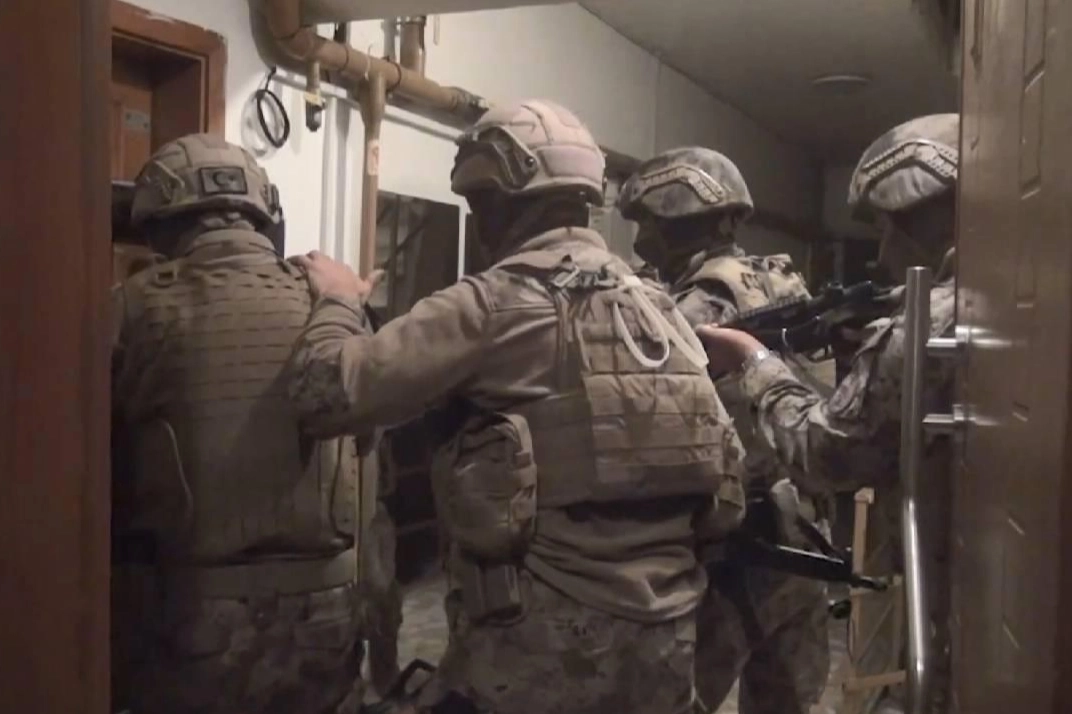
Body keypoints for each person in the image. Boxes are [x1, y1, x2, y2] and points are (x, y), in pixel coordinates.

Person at [285, 98, 745, 714]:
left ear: (494, 206)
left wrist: (339, 300)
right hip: (666, 654)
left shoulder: (490, 304)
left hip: (541, 659)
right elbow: (724, 487)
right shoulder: (662, 311)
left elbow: (324, 396)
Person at [697, 113, 960, 712]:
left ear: (930, 220)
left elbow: (828, 453)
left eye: (888, 230)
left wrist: (752, 360)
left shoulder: (928, 323)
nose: (883, 252)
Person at [110, 134, 367, 714]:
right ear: (259, 210)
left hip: (190, 617)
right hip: (326, 612)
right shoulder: (331, 301)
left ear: (161, 216)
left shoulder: (132, 306)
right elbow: (369, 454)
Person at [618, 146, 832, 714]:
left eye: (649, 225)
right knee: (786, 699)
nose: (641, 241)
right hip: (799, 529)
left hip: (727, 548)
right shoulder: (779, 282)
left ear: (680, 225)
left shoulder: (696, 303)